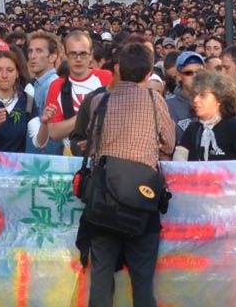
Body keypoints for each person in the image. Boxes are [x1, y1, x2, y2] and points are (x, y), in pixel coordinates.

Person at [80, 42, 175, 307]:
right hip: (142, 203)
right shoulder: (155, 99)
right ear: (147, 74)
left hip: (103, 202)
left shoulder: (100, 100)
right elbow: (169, 143)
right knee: (143, 282)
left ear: (118, 69)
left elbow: (91, 137)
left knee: (100, 280)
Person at [0, 49, 50, 152]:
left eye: (10, 70)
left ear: (17, 73)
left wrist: (45, 124)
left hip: (16, 166)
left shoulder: (27, 101)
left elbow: (39, 142)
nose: (4, 75)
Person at [173, 70, 236, 161]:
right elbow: (178, 163)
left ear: (219, 98)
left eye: (202, 95)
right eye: (195, 95)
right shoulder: (193, 128)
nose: (196, 100)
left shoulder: (235, 127)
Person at [46, 31, 112, 148]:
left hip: (103, 152)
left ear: (91, 55)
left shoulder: (106, 77)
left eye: (83, 54)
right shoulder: (57, 85)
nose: (78, 59)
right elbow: (53, 133)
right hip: (71, 156)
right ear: (65, 56)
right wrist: (85, 114)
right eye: (73, 54)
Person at [25, 30, 62, 154]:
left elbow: (53, 134)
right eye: (30, 51)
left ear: (53, 56)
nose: (32, 56)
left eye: (39, 51)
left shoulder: (53, 85)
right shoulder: (35, 84)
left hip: (45, 163)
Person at [165, 51, 205, 143]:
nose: (195, 76)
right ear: (178, 76)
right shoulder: (168, 106)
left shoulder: (214, 102)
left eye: (199, 72)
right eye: (188, 73)